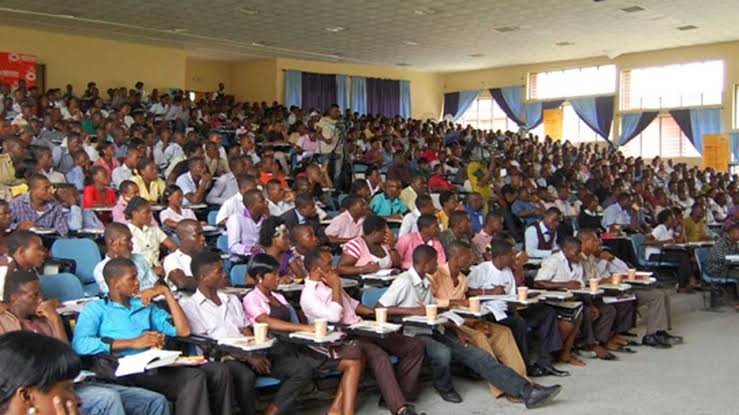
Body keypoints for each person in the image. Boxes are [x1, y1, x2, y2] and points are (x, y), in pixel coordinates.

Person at [377, 245, 561, 408]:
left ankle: (526, 391)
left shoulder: (426, 282)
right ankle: (444, 387)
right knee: (442, 353)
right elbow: (379, 308)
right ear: (425, 264)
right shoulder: (404, 281)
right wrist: (412, 311)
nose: (438, 264)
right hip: (414, 333)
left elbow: (437, 312)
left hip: (437, 328)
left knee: (479, 355)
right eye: (435, 262)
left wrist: (457, 330)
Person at [73, 258, 235, 415]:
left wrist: (166, 293)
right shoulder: (96, 309)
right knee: (194, 377)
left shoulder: (144, 305)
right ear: (115, 283)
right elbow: (80, 344)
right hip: (123, 370)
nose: (138, 282)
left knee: (218, 371)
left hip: (154, 365)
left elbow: (183, 331)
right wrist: (132, 343)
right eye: (132, 278)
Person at [0, 271, 170, 415]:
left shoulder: (45, 318)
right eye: (34, 295)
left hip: (72, 383)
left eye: (41, 293)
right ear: (14, 298)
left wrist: (55, 321)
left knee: (155, 401)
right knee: (108, 400)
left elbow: (66, 360)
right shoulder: (4, 324)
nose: (41, 299)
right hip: (45, 390)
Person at [180, 251, 314, 415]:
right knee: (245, 376)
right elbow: (209, 344)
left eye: (223, 269)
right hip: (223, 358)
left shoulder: (231, 299)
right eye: (219, 271)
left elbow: (245, 329)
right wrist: (248, 357)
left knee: (301, 369)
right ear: (203, 277)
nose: (225, 274)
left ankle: (270, 412)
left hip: (249, 352)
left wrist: (256, 350)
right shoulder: (191, 306)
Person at [301, 248, 424, 415]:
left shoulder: (328, 282)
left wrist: (376, 314)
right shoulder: (309, 295)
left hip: (362, 327)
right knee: (379, 355)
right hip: (345, 336)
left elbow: (353, 304)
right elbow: (335, 316)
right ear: (316, 269)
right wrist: (336, 285)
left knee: (414, 346)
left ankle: (397, 395)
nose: (334, 267)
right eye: (329, 264)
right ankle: (400, 409)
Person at [242, 254, 364, 415]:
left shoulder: (278, 297)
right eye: (275, 274)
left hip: (295, 346)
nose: (280, 277)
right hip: (273, 352)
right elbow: (267, 321)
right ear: (260, 277)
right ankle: (270, 412)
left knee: (353, 362)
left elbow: (293, 321)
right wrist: (305, 328)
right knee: (302, 370)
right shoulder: (251, 299)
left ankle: (342, 412)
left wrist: (309, 328)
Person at [427, 242, 530, 398]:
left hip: (464, 319)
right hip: (446, 322)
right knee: (480, 337)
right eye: (467, 257)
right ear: (455, 258)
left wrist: (477, 322)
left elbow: (464, 307)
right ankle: (504, 388)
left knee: (504, 332)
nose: (471, 260)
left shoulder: (462, 278)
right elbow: (428, 303)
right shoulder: (436, 274)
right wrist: (453, 303)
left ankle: (524, 380)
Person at [467, 238, 575, 375]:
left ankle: (545, 361)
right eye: (511, 255)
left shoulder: (507, 271)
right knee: (519, 324)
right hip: (491, 313)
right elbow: (468, 292)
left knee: (547, 312)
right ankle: (524, 366)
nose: (514, 258)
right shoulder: (481, 270)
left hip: (509, 310)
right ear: (501, 257)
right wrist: (489, 292)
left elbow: (511, 297)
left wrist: (526, 299)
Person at [578, 229, 681, 348]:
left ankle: (660, 331)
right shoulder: (582, 258)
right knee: (655, 296)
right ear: (584, 242)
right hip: (605, 291)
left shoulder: (594, 257)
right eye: (595, 240)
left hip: (618, 286)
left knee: (662, 292)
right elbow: (592, 280)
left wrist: (611, 258)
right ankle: (651, 335)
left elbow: (624, 269)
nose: (599, 242)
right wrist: (604, 263)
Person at [534, 237, 618, 361]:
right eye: (576, 252)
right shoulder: (553, 261)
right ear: (565, 250)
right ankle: (587, 346)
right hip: (554, 302)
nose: (579, 255)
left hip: (573, 301)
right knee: (581, 314)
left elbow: (580, 287)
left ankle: (571, 350)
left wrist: (590, 303)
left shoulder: (577, 262)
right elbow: (538, 283)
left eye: (580, 251)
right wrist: (564, 285)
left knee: (588, 310)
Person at [93, 223, 159, 294]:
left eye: (131, 240)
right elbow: (115, 297)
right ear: (112, 243)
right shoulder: (101, 269)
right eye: (127, 240)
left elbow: (156, 282)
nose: (131, 244)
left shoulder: (139, 258)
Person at [645, 210, 696, 292]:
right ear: (665, 220)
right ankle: (686, 283)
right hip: (654, 255)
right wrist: (664, 242)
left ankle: (687, 281)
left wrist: (682, 226)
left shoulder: (670, 230)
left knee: (686, 254)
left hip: (665, 253)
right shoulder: (660, 228)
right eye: (671, 218)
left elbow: (680, 241)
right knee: (683, 257)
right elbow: (647, 241)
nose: (674, 220)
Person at [125, 197, 177, 270]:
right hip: (139, 273)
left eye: (151, 212)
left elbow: (173, 246)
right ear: (134, 213)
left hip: (159, 268)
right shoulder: (126, 233)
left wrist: (167, 259)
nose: (150, 215)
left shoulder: (154, 229)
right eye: (147, 212)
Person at [162, 219, 207, 291]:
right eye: (197, 235)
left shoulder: (207, 257)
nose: (203, 238)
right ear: (182, 237)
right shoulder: (172, 259)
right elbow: (181, 283)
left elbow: (223, 282)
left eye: (202, 234)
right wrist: (210, 283)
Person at [227, 188, 268, 257]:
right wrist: (251, 249)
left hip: (264, 256)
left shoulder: (266, 218)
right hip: (244, 257)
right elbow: (233, 246)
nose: (266, 203)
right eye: (262, 201)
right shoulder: (236, 218)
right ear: (251, 205)